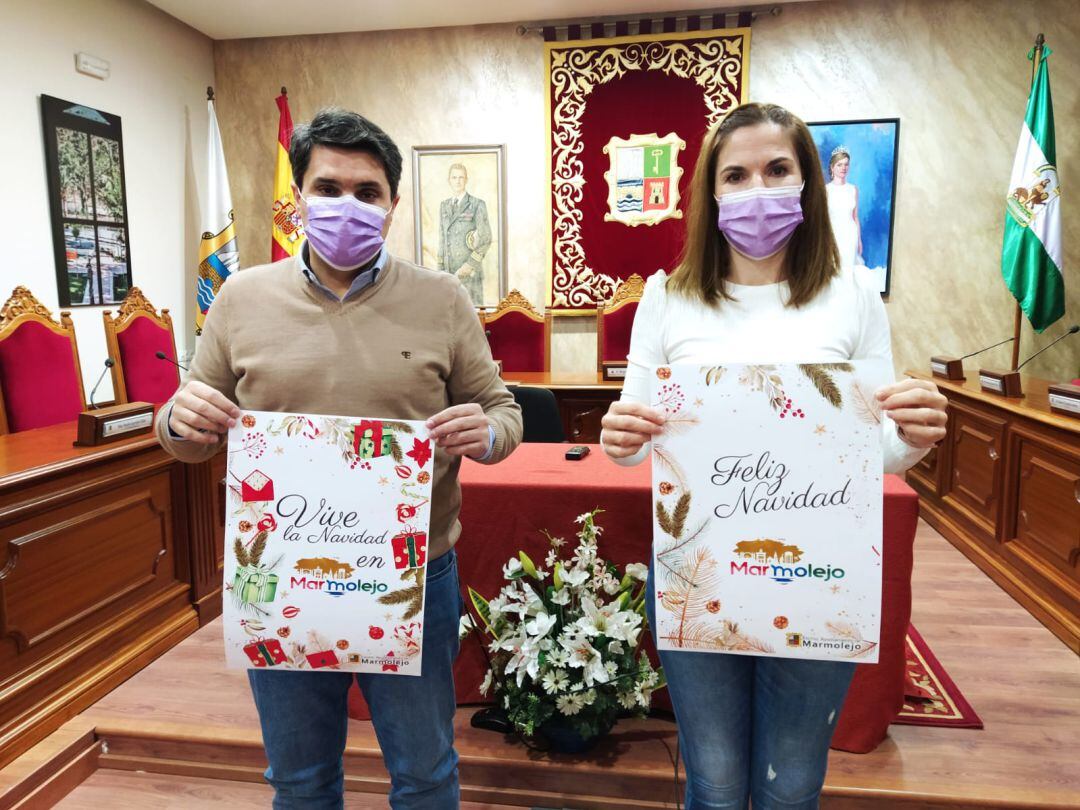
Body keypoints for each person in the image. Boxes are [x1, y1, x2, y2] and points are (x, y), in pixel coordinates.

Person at [155, 108, 522, 809]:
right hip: (283, 578)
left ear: (392, 205)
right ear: (299, 198)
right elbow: (184, 429)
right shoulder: (239, 298)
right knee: (299, 778)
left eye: (367, 192)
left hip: (414, 577)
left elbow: (502, 412)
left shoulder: (442, 299)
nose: (346, 206)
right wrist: (179, 418)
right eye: (328, 188)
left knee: (424, 771)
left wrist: (489, 433)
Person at [600, 102, 947, 809]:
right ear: (712, 192)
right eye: (737, 174)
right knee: (717, 782)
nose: (758, 188)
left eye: (777, 169)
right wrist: (619, 439)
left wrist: (911, 435)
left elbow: (873, 451)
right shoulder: (667, 300)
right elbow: (636, 449)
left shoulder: (851, 296)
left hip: (815, 580)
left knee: (792, 785)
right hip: (702, 575)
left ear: (807, 182)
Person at [437, 163, 492, 306]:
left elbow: (486, 238)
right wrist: (440, 270)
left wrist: (469, 265)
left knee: (473, 317)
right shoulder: (444, 205)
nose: (457, 181)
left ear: (466, 180)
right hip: (449, 274)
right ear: (449, 180)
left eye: (461, 177)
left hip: (470, 274)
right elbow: (442, 239)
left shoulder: (477, 204)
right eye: (454, 177)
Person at [825, 146, 862, 268]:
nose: (843, 168)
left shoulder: (853, 189)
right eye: (839, 165)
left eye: (846, 164)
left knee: (848, 269)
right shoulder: (826, 190)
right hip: (833, 235)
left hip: (850, 235)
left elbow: (855, 217)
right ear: (832, 167)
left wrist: (859, 240)